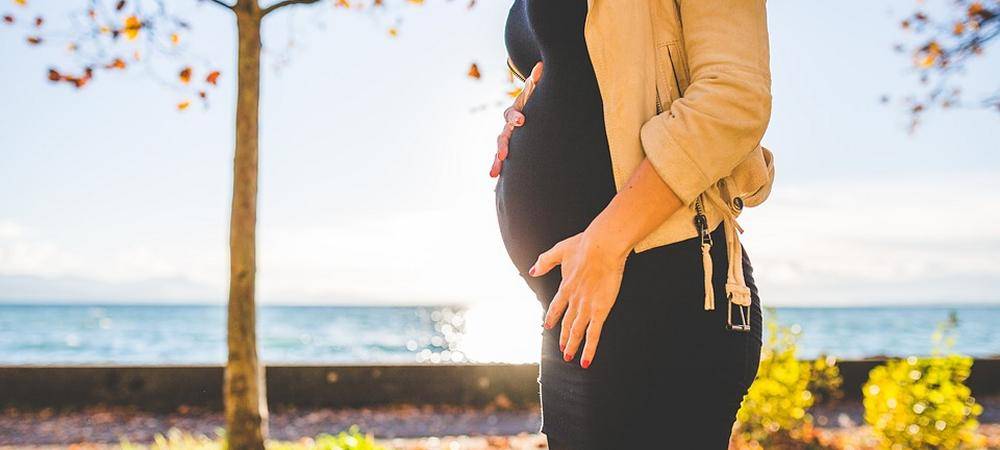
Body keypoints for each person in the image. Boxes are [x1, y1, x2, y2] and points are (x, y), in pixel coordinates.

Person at [490, 0, 774, 448]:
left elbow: (734, 97)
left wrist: (606, 241)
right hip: (577, 302)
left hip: (665, 285)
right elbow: (582, 78)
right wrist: (522, 111)